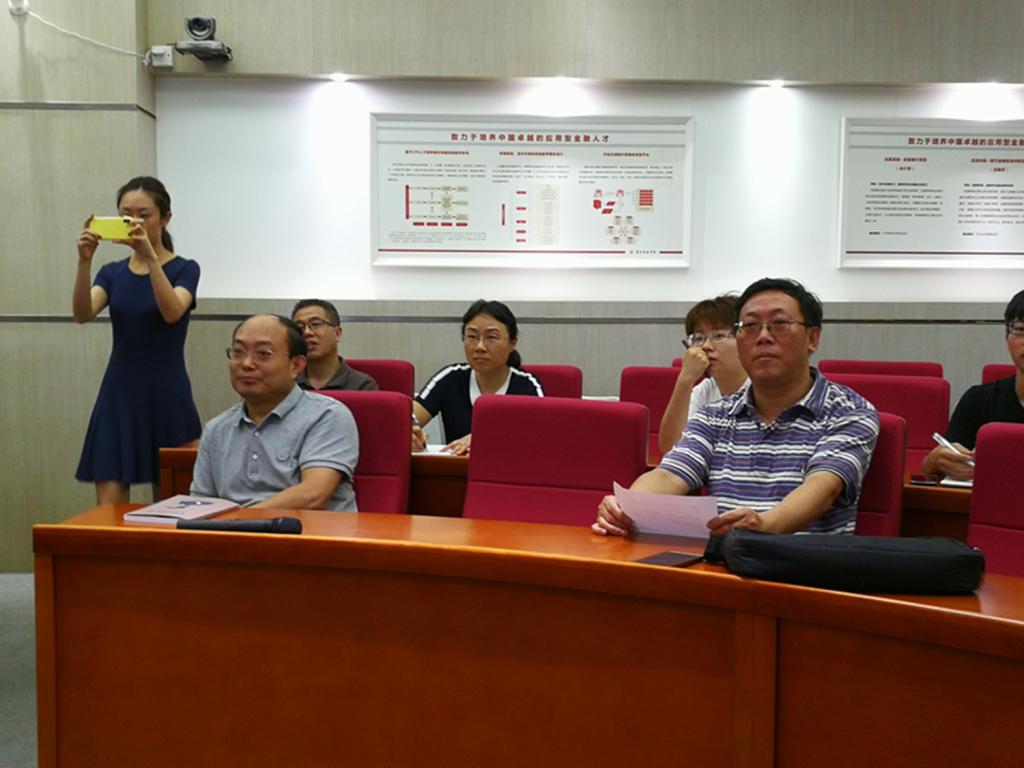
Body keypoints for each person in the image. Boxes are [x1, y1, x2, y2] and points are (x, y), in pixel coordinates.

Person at [595, 277, 879, 537]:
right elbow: (670, 474)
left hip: (804, 567)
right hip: (721, 563)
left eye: (779, 323)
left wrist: (764, 525)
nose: (763, 336)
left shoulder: (849, 411)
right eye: (750, 326)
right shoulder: (715, 414)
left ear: (812, 338)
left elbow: (824, 487)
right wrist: (629, 506)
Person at [73, 176, 202, 504]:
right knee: (108, 512)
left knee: (174, 506)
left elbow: (172, 312)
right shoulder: (112, 272)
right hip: (118, 394)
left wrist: (151, 258)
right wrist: (84, 261)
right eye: (126, 215)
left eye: (143, 215)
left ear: (165, 218)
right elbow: (82, 313)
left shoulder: (185, 269)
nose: (134, 222)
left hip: (167, 394)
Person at [190, 314, 360, 511]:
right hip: (233, 529)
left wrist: (237, 521)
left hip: (312, 529)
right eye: (238, 352)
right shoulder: (216, 429)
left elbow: (313, 495)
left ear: (296, 366)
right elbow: (200, 504)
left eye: (263, 353)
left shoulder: (328, 415)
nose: (246, 363)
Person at [412, 299, 544, 455]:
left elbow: (540, 435)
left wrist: (484, 438)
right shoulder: (450, 377)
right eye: (472, 337)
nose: (480, 347)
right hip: (456, 467)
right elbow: (407, 418)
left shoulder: (527, 386)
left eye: (491, 337)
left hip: (509, 468)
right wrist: (410, 433)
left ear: (512, 343)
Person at [921, 289, 1024, 481]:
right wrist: (934, 462)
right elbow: (934, 470)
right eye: (1021, 329)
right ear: (1006, 338)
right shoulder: (977, 401)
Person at [658, 294, 749, 454]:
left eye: (719, 336)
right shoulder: (706, 389)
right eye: (699, 338)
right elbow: (670, 449)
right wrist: (685, 381)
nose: (706, 346)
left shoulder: (764, 390)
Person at [291, 299, 379, 391]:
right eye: (299, 327)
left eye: (315, 324)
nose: (307, 332)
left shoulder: (361, 385)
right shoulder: (287, 382)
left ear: (337, 334)